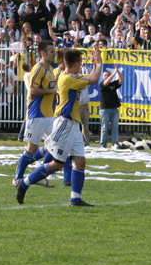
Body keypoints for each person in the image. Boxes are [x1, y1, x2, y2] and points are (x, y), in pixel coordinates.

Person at [15, 46, 103, 206]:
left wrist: (95, 66)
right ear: (76, 63)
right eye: (81, 61)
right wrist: (99, 63)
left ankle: (75, 198)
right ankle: (25, 182)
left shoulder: (71, 76)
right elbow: (94, 79)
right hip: (64, 123)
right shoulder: (68, 78)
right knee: (57, 164)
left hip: (73, 125)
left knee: (80, 161)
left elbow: (89, 77)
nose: (82, 64)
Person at [14, 41, 57, 186]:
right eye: (51, 51)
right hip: (36, 115)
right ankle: (18, 178)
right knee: (31, 149)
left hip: (49, 116)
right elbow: (32, 90)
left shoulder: (50, 69)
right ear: (43, 53)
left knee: (55, 144)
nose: (54, 53)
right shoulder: (38, 68)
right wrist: (52, 91)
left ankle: (37, 175)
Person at [99, 65, 124, 148]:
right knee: (104, 128)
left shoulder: (113, 84)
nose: (107, 76)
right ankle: (103, 144)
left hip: (114, 109)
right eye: (105, 75)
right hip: (105, 109)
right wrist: (113, 73)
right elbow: (106, 82)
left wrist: (118, 72)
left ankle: (115, 143)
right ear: (103, 77)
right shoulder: (102, 84)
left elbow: (122, 80)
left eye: (108, 75)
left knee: (115, 128)